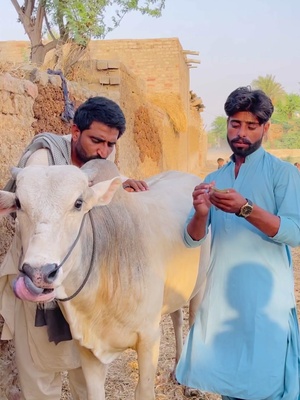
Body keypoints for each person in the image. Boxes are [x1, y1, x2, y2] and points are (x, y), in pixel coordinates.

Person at [0, 96, 148, 399]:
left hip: (87, 287)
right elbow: (38, 197)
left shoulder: (102, 165)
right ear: (75, 131)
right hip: (40, 276)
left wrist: (118, 187)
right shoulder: (43, 157)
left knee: (88, 371)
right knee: (40, 374)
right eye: (96, 140)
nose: (103, 151)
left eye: (110, 144)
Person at [176, 87, 300, 399]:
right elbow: (192, 240)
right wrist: (201, 212)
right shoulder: (215, 175)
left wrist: (246, 209)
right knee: (229, 385)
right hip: (223, 301)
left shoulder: (282, 174)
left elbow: (295, 233)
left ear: (265, 129)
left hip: (265, 301)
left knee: (267, 386)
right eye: (235, 124)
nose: (241, 133)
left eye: (251, 126)